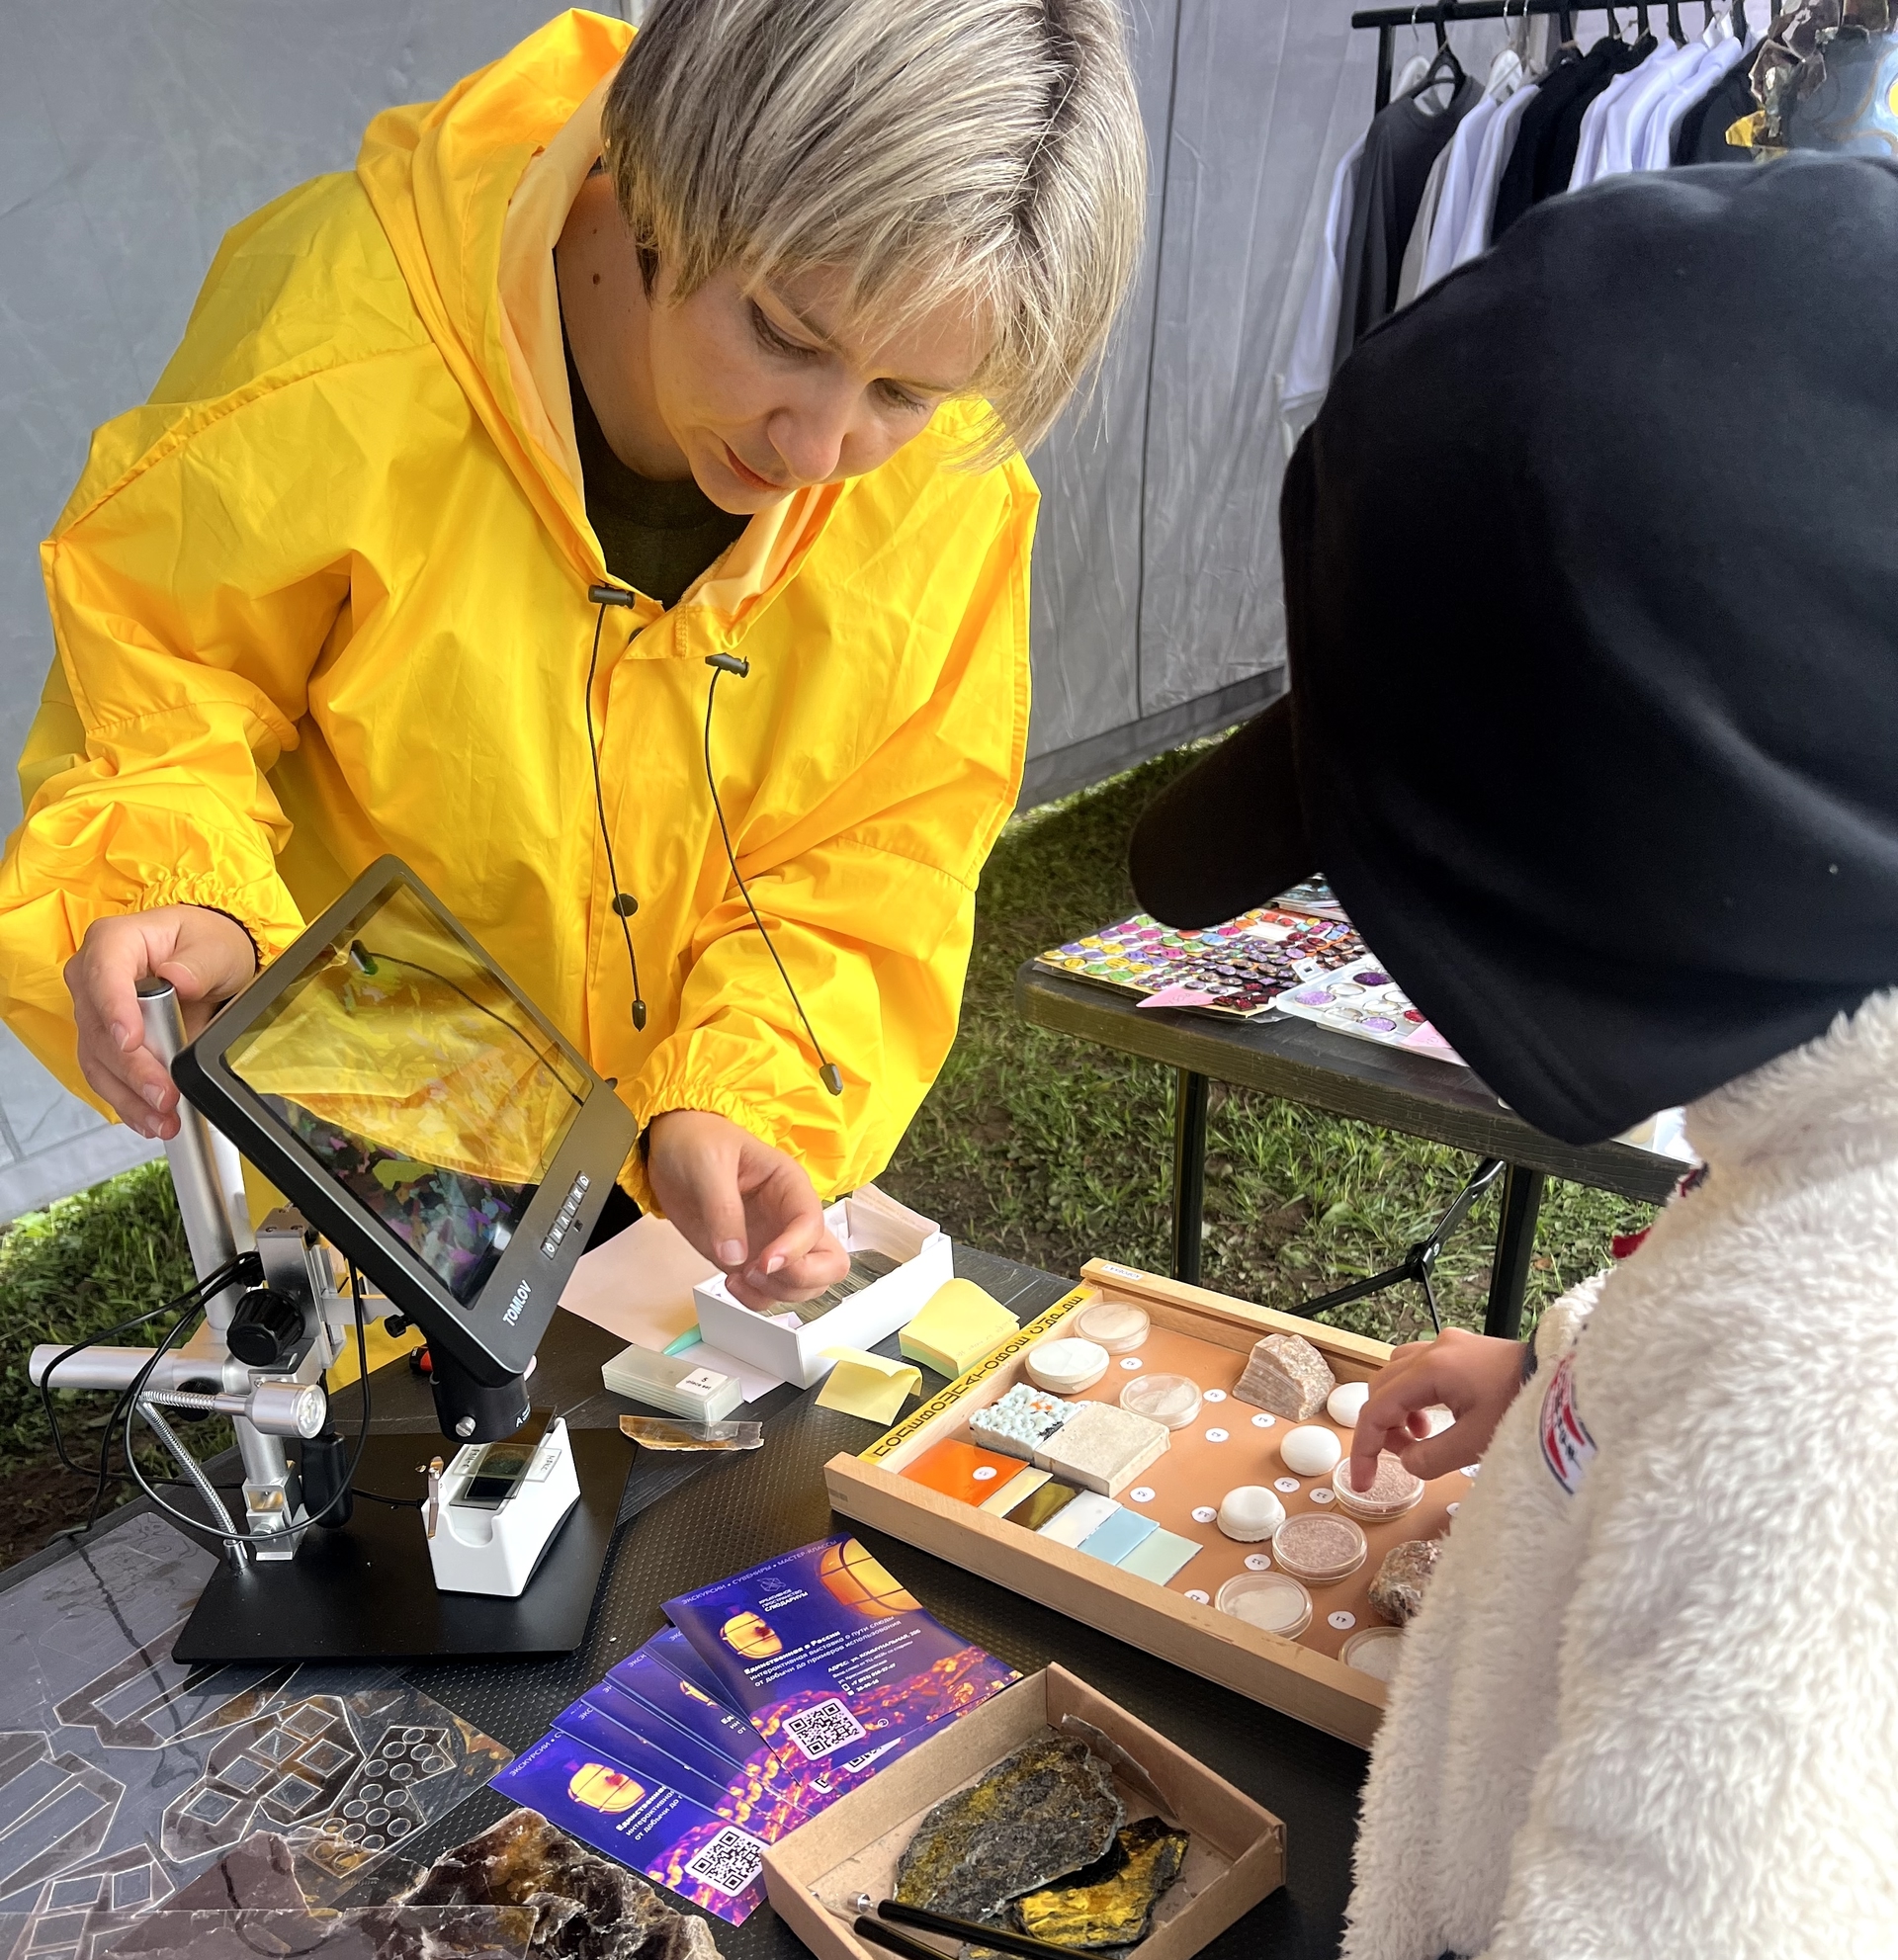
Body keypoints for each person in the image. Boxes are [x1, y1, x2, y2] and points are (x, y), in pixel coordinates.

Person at [1127, 142, 1898, 1960]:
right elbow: (1758, 1288)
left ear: (1619, 886)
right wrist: (1574, 1384)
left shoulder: (1840, 1380)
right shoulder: (1828, 1184)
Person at [0, 0, 1143, 1309]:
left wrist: (734, 1090)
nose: (818, 451)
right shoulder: (345, 335)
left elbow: (877, 851)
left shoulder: (949, 484)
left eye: (903, 394)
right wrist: (186, 891)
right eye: (785, 334)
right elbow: (159, 676)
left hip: (686, 1221)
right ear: (667, 176)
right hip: (384, 1175)